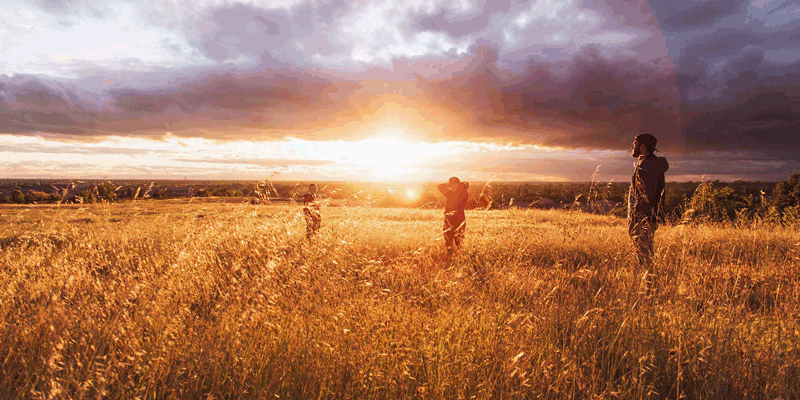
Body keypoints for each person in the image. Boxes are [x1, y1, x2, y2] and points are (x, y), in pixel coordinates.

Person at [628, 133, 669, 269]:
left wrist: (638, 218)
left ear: (643, 146)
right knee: (646, 252)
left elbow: (645, 196)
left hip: (642, 217)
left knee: (644, 255)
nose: (632, 147)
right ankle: (649, 279)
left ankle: (649, 282)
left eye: (635, 144)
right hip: (648, 217)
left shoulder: (646, 166)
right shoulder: (651, 164)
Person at [437, 177, 470, 257]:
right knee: (458, 240)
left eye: (451, 184)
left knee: (451, 240)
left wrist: (448, 185)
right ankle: (458, 256)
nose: (451, 186)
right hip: (460, 218)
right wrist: (460, 185)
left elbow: (439, 186)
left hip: (451, 219)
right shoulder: (465, 193)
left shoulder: (450, 194)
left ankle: (451, 256)